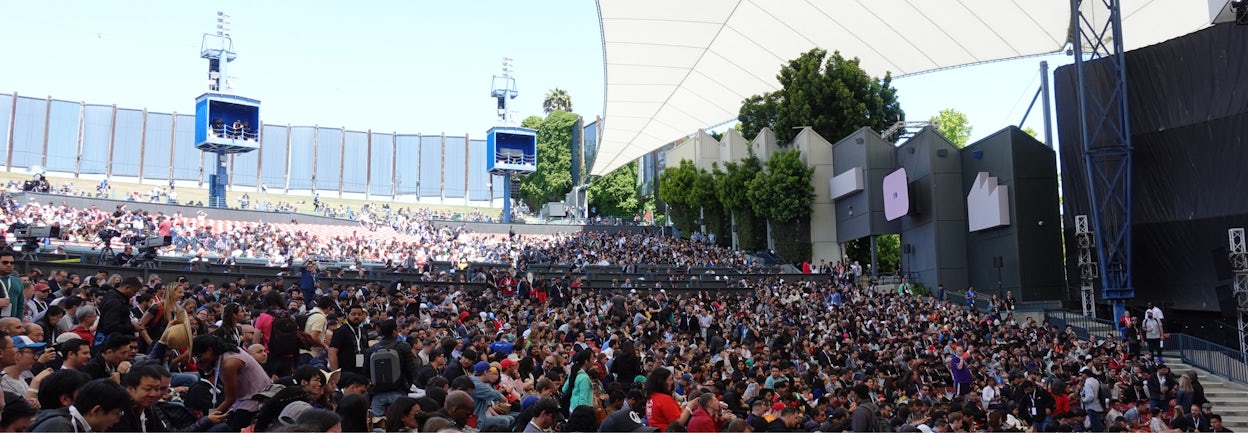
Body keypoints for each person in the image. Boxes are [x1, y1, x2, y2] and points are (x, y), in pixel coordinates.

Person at [191, 334, 271, 430]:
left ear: (209, 350)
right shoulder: (227, 353)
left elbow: (230, 399)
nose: (198, 360)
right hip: (245, 400)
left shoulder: (229, 364)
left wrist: (208, 419)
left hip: (255, 403)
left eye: (199, 356)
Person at [31, 378, 133, 432]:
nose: (117, 420)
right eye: (116, 413)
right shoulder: (59, 427)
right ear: (96, 410)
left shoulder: (78, 424)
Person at [369, 320, 419, 417]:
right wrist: (407, 386)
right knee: (400, 421)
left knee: (378, 424)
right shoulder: (404, 347)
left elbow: (366, 370)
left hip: (378, 392)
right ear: (394, 331)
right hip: (399, 390)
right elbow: (410, 369)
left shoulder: (372, 349)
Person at [97, 277, 144, 343]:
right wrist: (132, 328)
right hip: (111, 342)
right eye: (134, 291)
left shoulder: (112, 296)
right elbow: (110, 326)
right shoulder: (115, 302)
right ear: (127, 287)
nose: (134, 295)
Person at [328, 304, 368, 377]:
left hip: (361, 372)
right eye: (353, 314)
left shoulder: (363, 331)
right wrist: (335, 374)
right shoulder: (340, 332)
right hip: (345, 373)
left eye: (359, 314)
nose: (356, 317)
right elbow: (332, 353)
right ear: (347, 315)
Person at [0, 252, 25, 320]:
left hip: (11, 324)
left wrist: (19, 322)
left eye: (12, 263)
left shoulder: (17, 281)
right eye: (5, 262)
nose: (9, 265)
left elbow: (20, 306)